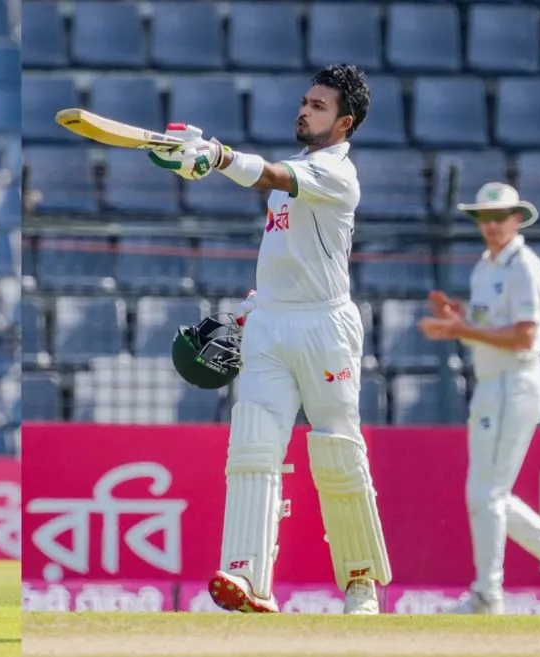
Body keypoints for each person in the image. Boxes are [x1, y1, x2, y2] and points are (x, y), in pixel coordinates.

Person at [150, 64, 389, 615]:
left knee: (337, 450)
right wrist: (251, 309)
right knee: (253, 442)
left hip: (326, 327)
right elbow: (286, 257)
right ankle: (248, 577)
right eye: (305, 100)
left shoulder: (336, 174)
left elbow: (270, 175)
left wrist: (217, 155)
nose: (304, 110)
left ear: (345, 122)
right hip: (271, 324)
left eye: (319, 106)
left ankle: (361, 584)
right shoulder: (299, 168)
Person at [418, 182, 540, 615]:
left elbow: (524, 337)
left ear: (517, 219)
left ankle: (489, 594)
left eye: (499, 217)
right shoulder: (485, 266)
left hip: (513, 382)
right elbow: (489, 328)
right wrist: (460, 319)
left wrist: (461, 330)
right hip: (493, 383)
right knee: (490, 495)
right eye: (484, 218)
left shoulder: (524, 266)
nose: (492, 225)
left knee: (485, 494)